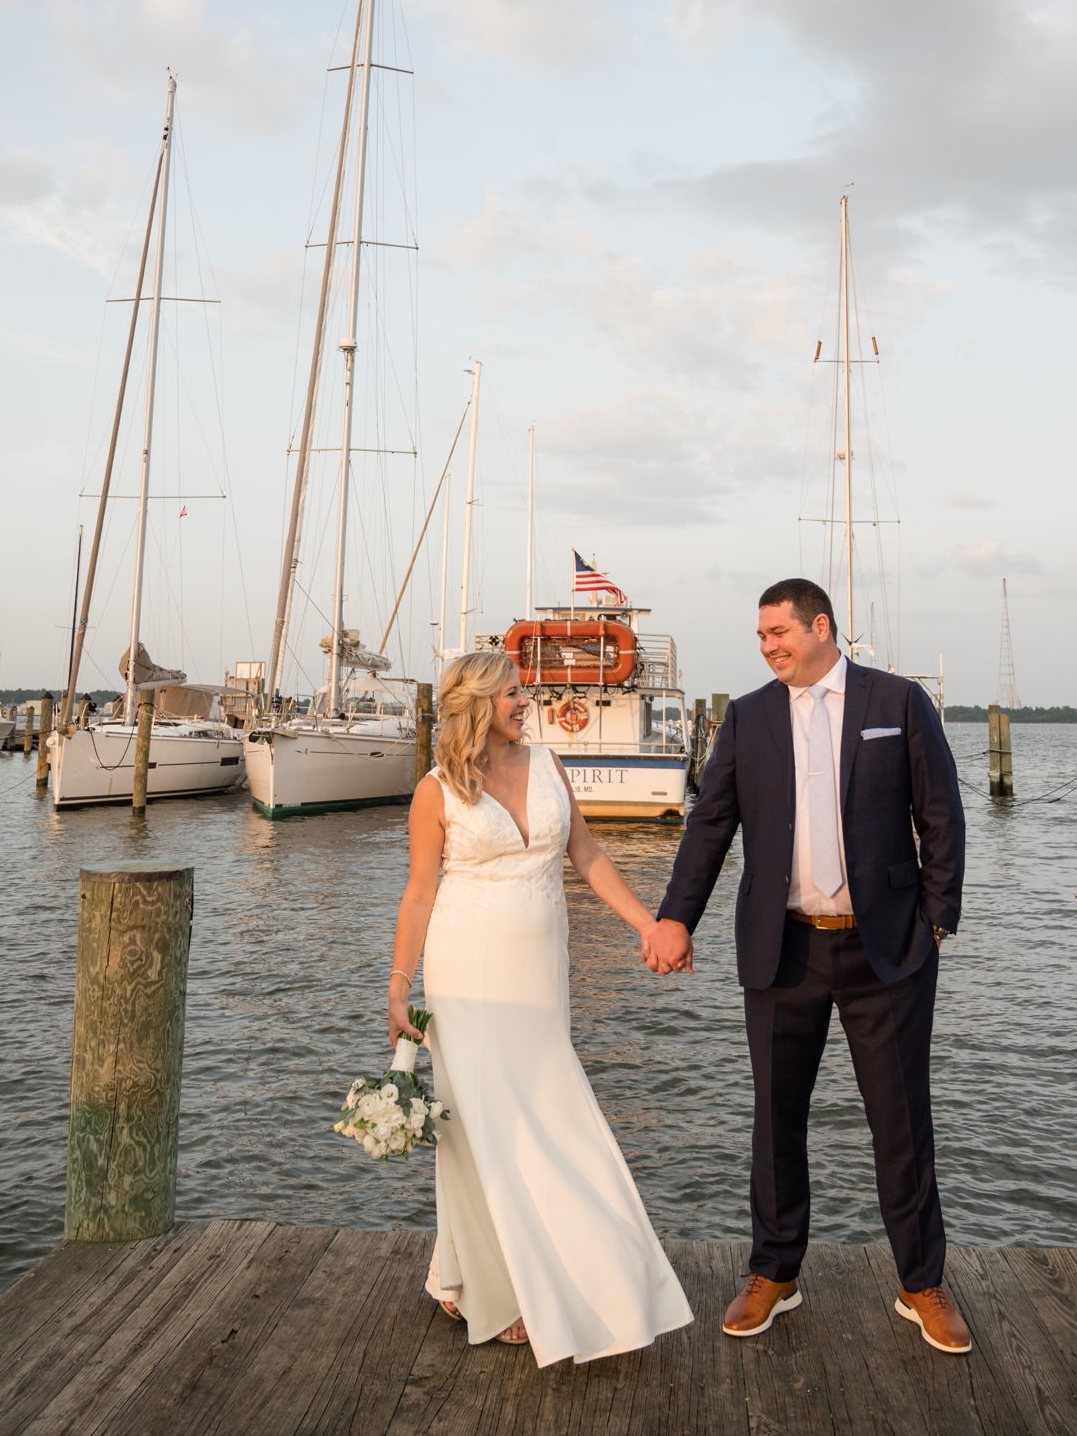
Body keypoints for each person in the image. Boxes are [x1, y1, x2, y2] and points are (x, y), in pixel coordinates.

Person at [642, 579, 971, 1353]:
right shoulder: (751, 717)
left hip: (885, 951)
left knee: (901, 1124)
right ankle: (775, 1274)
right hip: (781, 947)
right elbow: (711, 821)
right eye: (761, 637)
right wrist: (674, 917)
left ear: (822, 627)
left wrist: (937, 924)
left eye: (779, 632)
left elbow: (942, 816)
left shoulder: (897, 703)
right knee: (775, 1120)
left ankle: (921, 1283)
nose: (768, 647)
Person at [388, 648, 693, 1364]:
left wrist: (646, 925)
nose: (527, 703)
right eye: (513, 694)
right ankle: (499, 1289)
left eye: (524, 692)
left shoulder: (550, 765)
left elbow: (587, 856)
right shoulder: (436, 792)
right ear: (475, 705)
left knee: (545, 1112)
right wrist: (400, 984)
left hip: (538, 975)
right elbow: (420, 893)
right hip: (468, 978)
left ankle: (456, 1273)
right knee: (487, 1129)